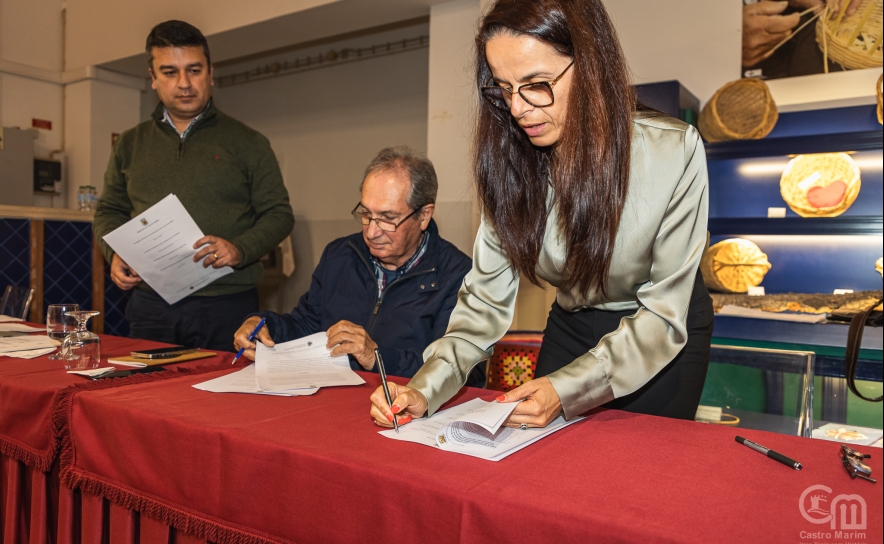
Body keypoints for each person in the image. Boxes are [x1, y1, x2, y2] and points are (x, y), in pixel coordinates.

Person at [371, 0, 715, 429]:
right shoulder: (508, 163)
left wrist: (567, 388)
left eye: (536, 83)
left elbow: (665, 312)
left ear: (589, 65)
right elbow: (482, 301)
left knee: (639, 477)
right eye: (503, 87)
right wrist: (425, 386)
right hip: (572, 321)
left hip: (659, 332)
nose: (517, 109)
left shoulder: (672, 151)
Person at [93, 20, 294, 352]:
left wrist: (239, 249)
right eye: (170, 72)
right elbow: (109, 211)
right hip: (150, 307)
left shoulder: (249, 142)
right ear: (153, 78)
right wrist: (114, 253)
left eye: (194, 70)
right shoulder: (129, 144)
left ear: (211, 74)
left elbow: (279, 215)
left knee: (225, 402)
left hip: (227, 306)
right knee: (144, 400)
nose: (184, 83)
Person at [233, 146, 477, 381]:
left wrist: (377, 358)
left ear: (423, 216)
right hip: (331, 401)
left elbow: (462, 373)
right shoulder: (340, 255)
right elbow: (306, 324)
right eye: (366, 214)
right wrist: (264, 324)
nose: (371, 232)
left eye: (387, 218)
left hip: (405, 411)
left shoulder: (458, 276)